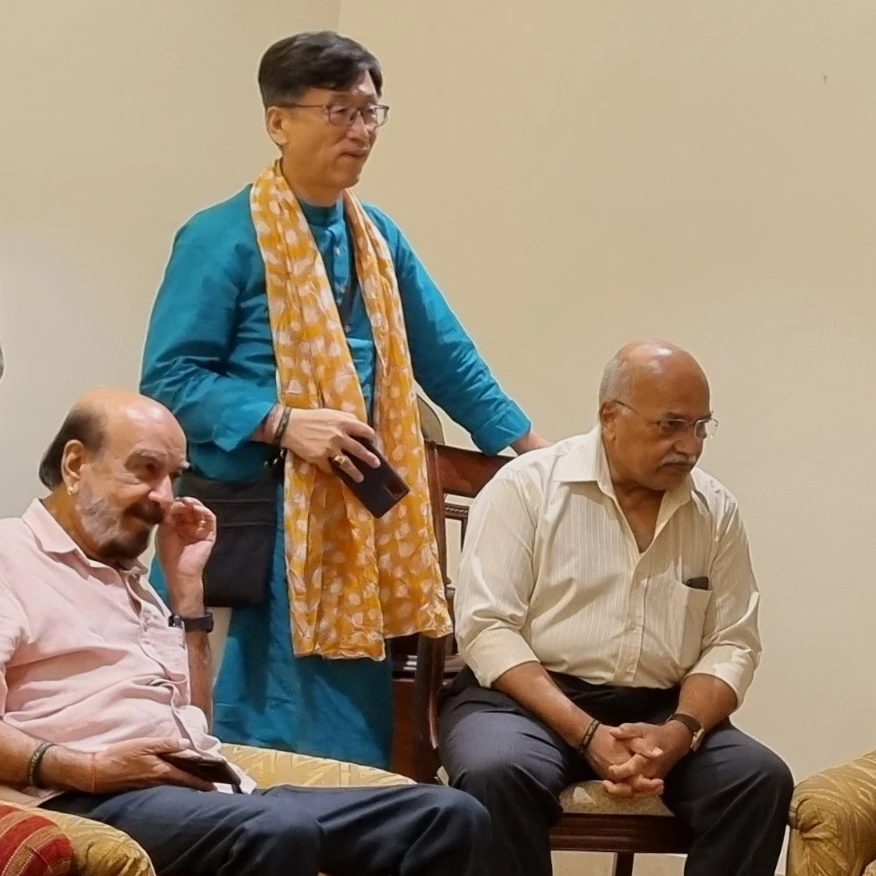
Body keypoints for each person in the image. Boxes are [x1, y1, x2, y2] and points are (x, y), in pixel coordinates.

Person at [139, 29, 547, 768]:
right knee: (238, 742)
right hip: (253, 527)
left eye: (369, 112)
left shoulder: (377, 237)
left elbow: (445, 356)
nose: (359, 131)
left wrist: (531, 453)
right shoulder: (220, 235)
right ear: (278, 121)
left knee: (347, 757)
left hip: (351, 536)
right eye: (338, 111)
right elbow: (170, 380)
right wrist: (282, 422)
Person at [0, 388, 490, 876]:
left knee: (445, 815)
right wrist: (87, 769)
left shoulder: (130, 580)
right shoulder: (10, 557)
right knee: (276, 828)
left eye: (173, 476)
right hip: (84, 796)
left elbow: (196, 721)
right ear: (75, 464)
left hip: (208, 792)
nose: (164, 498)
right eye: (146, 469)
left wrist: (188, 596)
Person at [439, 340, 794, 876]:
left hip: (663, 712)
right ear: (610, 417)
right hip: (525, 703)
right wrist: (586, 733)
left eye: (701, 427)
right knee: (497, 771)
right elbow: (487, 627)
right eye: (671, 425)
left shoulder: (715, 510)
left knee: (758, 781)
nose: (690, 446)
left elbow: (733, 642)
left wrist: (679, 732)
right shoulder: (528, 487)